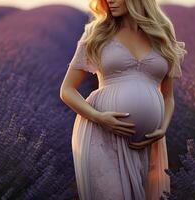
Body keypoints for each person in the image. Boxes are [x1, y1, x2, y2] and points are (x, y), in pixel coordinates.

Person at [60, 0, 187, 199]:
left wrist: (163, 128)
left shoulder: (162, 34)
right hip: (100, 133)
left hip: (144, 144)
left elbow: (168, 96)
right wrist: (99, 117)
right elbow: (67, 90)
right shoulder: (97, 33)